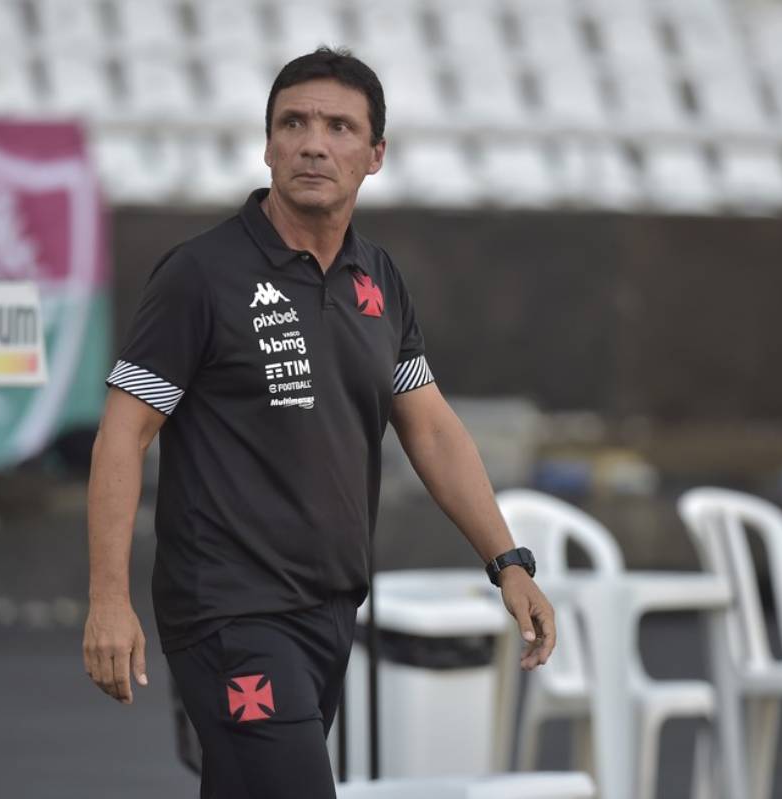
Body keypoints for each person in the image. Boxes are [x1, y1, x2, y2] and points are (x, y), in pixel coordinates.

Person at [82, 47, 557, 798]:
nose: (313, 142)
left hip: (331, 607)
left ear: (375, 156)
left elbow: (429, 427)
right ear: (268, 145)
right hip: (229, 611)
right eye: (293, 123)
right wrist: (109, 597)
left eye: (339, 127)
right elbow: (123, 433)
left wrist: (508, 560)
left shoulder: (381, 280)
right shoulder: (201, 274)